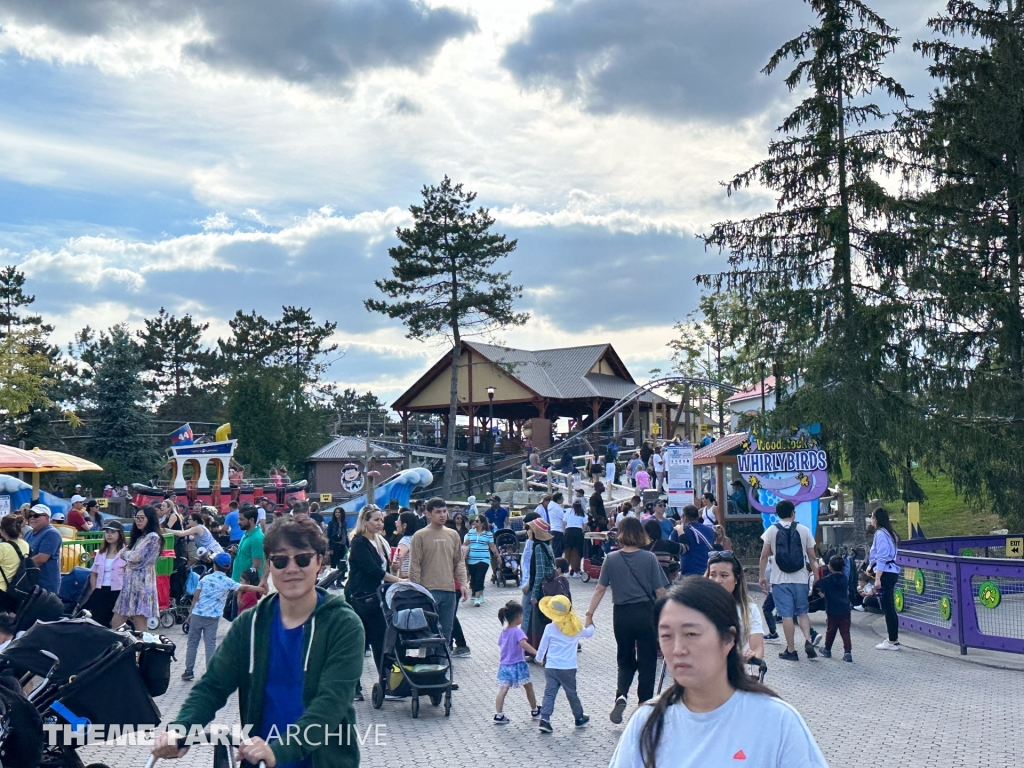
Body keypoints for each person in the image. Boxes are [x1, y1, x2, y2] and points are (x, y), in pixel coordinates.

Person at [153, 518, 364, 768]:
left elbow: (332, 702)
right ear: (270, 565)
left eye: (303, 558)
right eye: (281, 560)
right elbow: (213, 686)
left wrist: (279, 750)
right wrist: (181, 728)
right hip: (260, 760)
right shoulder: (250, 624)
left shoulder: (343, 624)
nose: (292, 568)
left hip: (322, 761)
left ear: (319, 562)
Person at [608, 579, 829, 768]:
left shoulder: (776, 720)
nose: (677, 649)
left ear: (728, 639)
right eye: (666, 636)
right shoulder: (647, 723)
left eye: (691, 634)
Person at [585, 516, 668, 724]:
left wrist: (589, 615)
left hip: (621, 614)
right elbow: (660, 591)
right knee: (648, 659)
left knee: (624, 658)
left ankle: (621, 694)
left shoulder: (610, 559)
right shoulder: (649, 558)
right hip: (645, 613)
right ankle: (644, 704)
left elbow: (600, 588)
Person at [346, 505, 403, 697]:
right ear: (365, 521)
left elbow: (382, 567)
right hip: (362, 598)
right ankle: (353, 687)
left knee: (381, 642)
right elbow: (372, 569)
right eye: (376, 520)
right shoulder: (359, 542)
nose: (380, 523)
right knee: (359, 644)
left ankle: (387, 683)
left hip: (377, 598)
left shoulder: (380, 541)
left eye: (381, 519)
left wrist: (393, 567)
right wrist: (398, 580)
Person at [182, 552, 264, 681]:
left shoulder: (204, 579)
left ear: (214, 565)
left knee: (192, 643)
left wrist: (190, 614)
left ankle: (188, 671)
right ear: (228, 567)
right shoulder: (228, 582)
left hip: (198, 615)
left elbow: (196, 598)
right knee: (210, 645)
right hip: (213, 618)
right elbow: (245, 586)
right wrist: (260, 589)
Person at [758, 500, 819, 661]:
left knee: (786, 615)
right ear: (793, 512)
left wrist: (762, 576)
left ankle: (791, 650)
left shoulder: (771, 531)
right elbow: (813, 558)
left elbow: (764, 555)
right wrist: (816, 577)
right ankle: (808, 640)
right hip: (801, 579)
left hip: (780, 580)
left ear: (777, 514)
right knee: (802, 613)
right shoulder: (804, 530)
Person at [409, 498, 469, 644]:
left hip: (449, 590)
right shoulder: (420, 536)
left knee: (447, 630)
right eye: (437, 512)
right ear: (428, 514)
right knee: (429, 630)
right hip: (428, 590)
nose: (442, 515)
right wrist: (416, 589)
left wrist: (463, 583)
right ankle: (431, 661)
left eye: (444, 511)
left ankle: (445, 662)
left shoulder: (453, 535)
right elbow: (415, 565)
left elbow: (458, 562)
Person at [536, 595, 594, 733]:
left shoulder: (549, 628)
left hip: (551, 666)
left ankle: (545, 719)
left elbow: (542, 646)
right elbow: (590, 633)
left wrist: (539, 659)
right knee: (571, 693)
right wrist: (590, 621)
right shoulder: (575, 628)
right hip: (568, 667)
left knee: (549, 693)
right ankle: (579, 717)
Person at [705, 551, 764, 663]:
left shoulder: (749, 610)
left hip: (737, 673)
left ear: (736, 579)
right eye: (712, 575)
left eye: (724, 575)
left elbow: (757, 647)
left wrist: (752, 656)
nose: (717, 580)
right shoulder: (697, 607)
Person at [113, 506, 162, 630]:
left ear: (149, 519)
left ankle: (144, 649)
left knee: (139, 623)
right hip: (129, 585)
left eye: (142, 518)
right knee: (116, 622)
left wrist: (127, 554)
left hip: (142, 585)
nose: (138, 521)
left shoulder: (153, 537)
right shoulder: (140, 538)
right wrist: (128, 554)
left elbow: (134, 557)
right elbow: (123, 554)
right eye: (137, 518)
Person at [494, 600, 541, 724]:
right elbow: (523, 644)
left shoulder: (504, 631)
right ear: (517, 617)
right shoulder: (517, 631)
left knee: (503, 689)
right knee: (528, 686)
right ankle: (535, 710)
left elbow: (500, 644)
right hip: (518, 664)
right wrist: (537, 653)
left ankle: (499, 714)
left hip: (504, 665)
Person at [868, 507, 902, 651]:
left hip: (885, 573)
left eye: (872, 517)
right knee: (890, 607)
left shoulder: (880, 534)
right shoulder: (891, 534)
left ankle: (892, 640)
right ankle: (893, 638)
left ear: (876, 519)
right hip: (892, 571)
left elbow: (882, 556)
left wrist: (877, 578)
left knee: (888, 607)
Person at [83, 522, 127, 627]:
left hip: (118, 592)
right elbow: (94, 573)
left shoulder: (126, 552)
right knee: (97, 621)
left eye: (113, 532)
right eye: (107, 532)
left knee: (116, 623)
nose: (109, 535)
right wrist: (95, 589)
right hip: (101, 591)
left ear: (120, 534)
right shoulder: (100, 553)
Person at [524, 518, 556, 650]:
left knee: (533, 619)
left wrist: (534, 593)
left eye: (530, 529)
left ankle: (532, 649)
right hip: (549, 588)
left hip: (541, 590)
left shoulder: (538, 547)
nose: (527, 532)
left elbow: (540, 572)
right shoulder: (546, 545)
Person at [815, 555, 853, 661]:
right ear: (842, 567)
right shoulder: (844, 579)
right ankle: (847, 652)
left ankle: (827, 649)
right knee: (845, 632)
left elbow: (817, 584)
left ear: (830, 567)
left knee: (831, 630)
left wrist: (821, 593)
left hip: (832, 610)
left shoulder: (828, 580)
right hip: (845, 609)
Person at [25, 504, 63, 594]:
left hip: (46, 585)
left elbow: (41, 558)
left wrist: (19, 568)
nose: (32, 518)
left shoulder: (52, 533)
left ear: (47, 518)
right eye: (30, 516)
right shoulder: (29, 533)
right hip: (31, 582)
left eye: (36, 515)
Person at [673, 505, 715, 576]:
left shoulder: (679, 530)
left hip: (688, 572)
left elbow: (673, 549)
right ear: (697, 516)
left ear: (684, 517)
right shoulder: (710, 531)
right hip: (707, 571)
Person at [465, 515, 498, 606]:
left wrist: (498, 556)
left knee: (480, 577)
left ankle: (477, 598)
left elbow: (492, 546)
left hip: (484, 559)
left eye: (477, 521)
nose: (474, 522)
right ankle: (480, 595)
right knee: (474, 579)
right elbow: (465, 544)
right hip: (471, 560)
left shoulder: (488, 534)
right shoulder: (471, 532)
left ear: (482, 523)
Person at [0, 515, 30, 612]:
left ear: (3, 531)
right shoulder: (25, 544)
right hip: (17, 589)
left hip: (2, 589)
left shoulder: (3, 547)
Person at [232, 507, 264, 582]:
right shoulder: (246, 532)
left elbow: (256, 566)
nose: (238, 522)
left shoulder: (257, 538)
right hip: (238, 582)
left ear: (251, 520)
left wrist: (244, 586)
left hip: (246, 586)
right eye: (239, 519)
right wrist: (236, 551)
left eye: (241, 519)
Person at [562, 500, 587, 577]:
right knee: (576, 552)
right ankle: (575, 570)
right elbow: (585, 525)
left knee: (567, 551)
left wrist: (564, 532)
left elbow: (564, 523)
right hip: (578, 532)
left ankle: (565, 571)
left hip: (568, 531)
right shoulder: (582, 513)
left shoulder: (568, 512)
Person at [391, 512, 419, 579]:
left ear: (404, 525)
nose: (396, 523)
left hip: (405, 580)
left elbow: (398, 558)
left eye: (398, 520)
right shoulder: (416, 538)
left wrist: (398, 571)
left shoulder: (405, 541)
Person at [547, 491, 566, 557]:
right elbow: (564, 517)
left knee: (556, 550)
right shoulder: (556, 508)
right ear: (558, 500)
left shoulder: (553, 507)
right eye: (562, 498)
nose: (563, 499)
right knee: (557, 551)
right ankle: (557, 565)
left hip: (555, 530)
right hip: (558, 530)